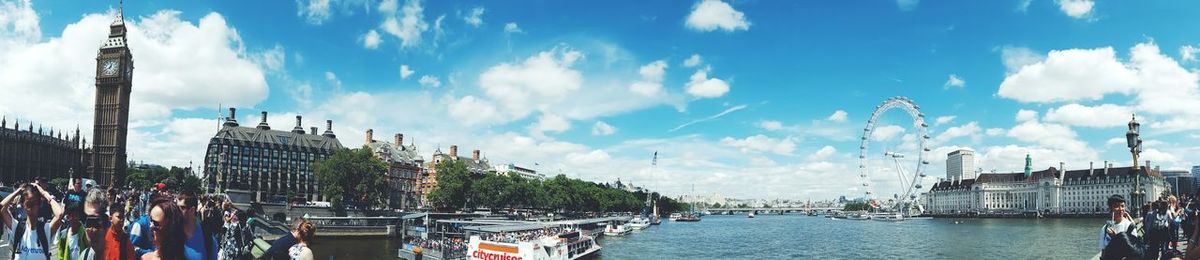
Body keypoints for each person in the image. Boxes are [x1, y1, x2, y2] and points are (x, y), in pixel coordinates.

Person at [1, 183, 67, 260]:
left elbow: (59, 214)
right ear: (23, 205)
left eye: (34, 204)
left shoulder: (46, 229)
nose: (31, 208)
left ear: (39, 204)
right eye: (28, 204)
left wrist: (43, 193)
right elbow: (2, 208)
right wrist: (17, 192)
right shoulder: (17, 227)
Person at [176, 192, 218, 260]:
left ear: (192, 210)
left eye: (182, 208)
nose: (177, 211)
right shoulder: (171, 233)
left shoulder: (207, 238)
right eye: (176, 207)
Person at [54, 191, 89, 260]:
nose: (74, 218)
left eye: (76, 215)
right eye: (71, 216)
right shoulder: (63, 235)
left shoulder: (85, 233)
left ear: (79, 216)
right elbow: (60, 254)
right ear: (68, 217)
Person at [81, 188, 107, 259]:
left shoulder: (118, 254)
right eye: (88, 223)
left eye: (95, 223)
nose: (90, 230)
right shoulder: (84, 256)